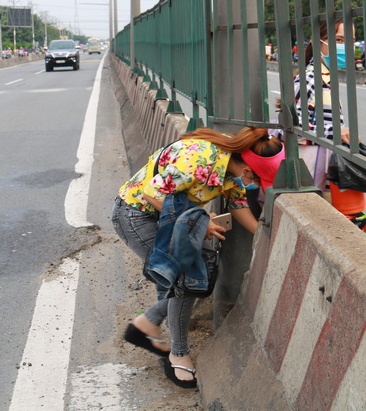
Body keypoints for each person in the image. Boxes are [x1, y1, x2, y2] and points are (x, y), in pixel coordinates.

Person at [112, 127, 285, 388]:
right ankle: (178, 354)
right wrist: (201, 224)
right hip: (138, 216)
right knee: (185, 279)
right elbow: (152, 193)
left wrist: (266, 237)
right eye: (259, 182)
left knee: (197, 273)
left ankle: (146, 324)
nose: (256, 187)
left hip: (164, 218)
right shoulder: (200, 159)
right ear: (248, 171)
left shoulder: (233, 166)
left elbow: (238, 205)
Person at [293, 19, 366, 247]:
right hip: (317, 183)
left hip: (330, 183)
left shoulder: (325, 78)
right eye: (339, 40)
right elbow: (293, 129)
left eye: (350, 41)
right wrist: (335, 132)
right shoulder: (309, 78)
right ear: (320, 42)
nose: (346, 46)